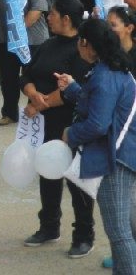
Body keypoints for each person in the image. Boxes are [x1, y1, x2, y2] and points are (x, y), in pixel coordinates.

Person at [57, 19, 136, 274]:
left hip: (115, 159)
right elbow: (100, 103)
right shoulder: (111, 69)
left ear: (87, 44)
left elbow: (98, 124)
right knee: (127, 226)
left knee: (119, 232)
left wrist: (71, 133)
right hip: (124, 154)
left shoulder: (104, 75)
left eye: (80, 41)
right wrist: (72, 88)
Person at [18, 0, 95, 258]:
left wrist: (39, 104)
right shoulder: (48, 44)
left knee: (76, 182)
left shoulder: (81, 48)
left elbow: (76, 89)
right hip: (44, 125)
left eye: (51, 14)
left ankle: (84, 234)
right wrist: (32, 93)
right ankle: (49, 226)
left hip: (69, 125)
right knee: (48, 174)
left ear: (66, 19)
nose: (47, 17)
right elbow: (27, 73)